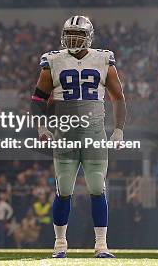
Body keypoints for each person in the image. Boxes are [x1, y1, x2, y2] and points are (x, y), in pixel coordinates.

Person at [31, 15, 126, 258]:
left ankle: (102, 245)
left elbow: (118, 97)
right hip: (65, 132)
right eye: (69, 34)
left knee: (97, 185)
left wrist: (118, 129)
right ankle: (60, 244)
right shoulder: (53, 60)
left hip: (94, 132)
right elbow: (38, 99)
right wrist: (42, 127)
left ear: (89, 37)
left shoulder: (103, 58)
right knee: (64, 188)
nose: (73, 39)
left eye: (78, 35)